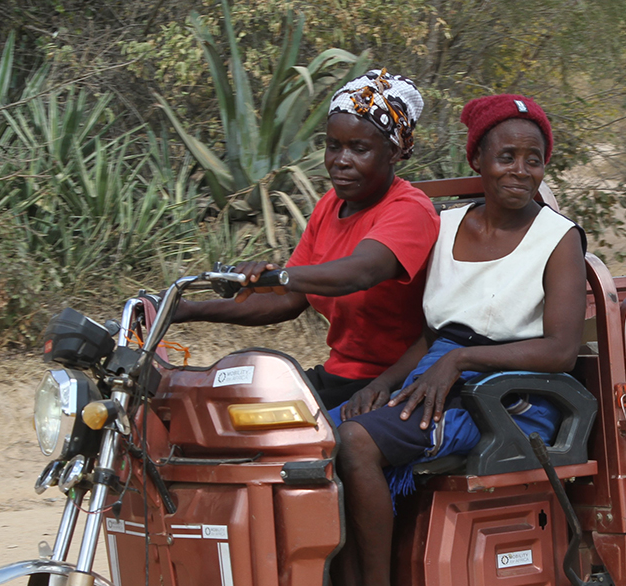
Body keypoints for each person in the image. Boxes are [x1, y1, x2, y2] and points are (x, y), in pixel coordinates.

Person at [322, 94, 588, 586]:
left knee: (358, 442)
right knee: (318, 435)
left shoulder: (558, 236)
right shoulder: (443, 228)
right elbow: (429, 333)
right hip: (438, 370)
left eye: (534, 159)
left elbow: (562, 349)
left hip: (511, 393)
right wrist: (387, 381)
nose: (520, 171)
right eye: (506, 156)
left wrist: (462, 362)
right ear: (478, 160)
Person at [173, 69, 441, 408]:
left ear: (393, 152)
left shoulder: (409, 210)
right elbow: (288, 301)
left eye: (359, 149)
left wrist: (279, 276)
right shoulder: (331, 205)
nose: (341, 161)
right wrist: (182, 310)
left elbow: (361, 272)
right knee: (217, 408)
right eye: (333, 146)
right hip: (339, 376)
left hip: (393, 382)